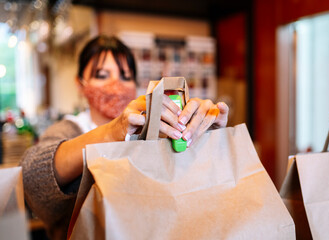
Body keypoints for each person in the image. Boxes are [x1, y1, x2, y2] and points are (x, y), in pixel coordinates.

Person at [21, 35, 229, 240]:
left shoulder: (156, 132)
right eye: (102, 75)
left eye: (125, 76)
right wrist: (114, 131)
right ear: (80, 84)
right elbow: (32, 179)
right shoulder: (69, 130)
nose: (116, 83)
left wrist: (204, 139)